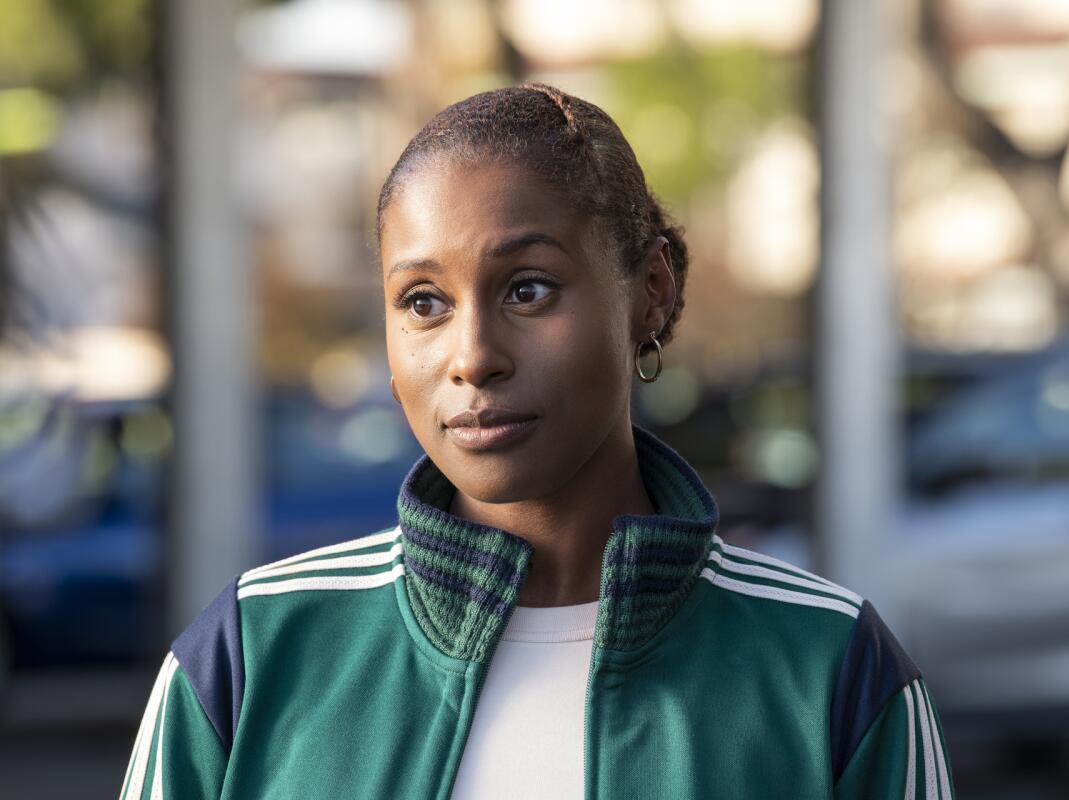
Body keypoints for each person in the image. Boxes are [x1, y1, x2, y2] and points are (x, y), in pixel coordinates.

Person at [119, 83, 954, 800]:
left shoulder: (832, 668)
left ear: (650, 293)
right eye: (422, 303)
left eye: (528, 288)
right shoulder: (251, 656)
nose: (473, 356)